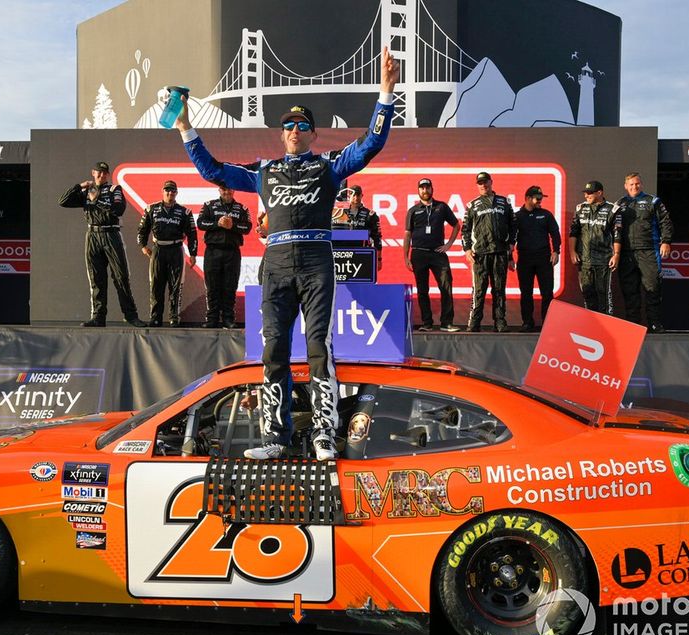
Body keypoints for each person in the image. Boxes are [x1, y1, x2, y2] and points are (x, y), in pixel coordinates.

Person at [175, 46, 400, 461]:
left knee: (319, 347)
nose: (295, 130)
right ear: (281, 135)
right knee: (273, 350)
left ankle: (323, 438)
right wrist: (185, 125)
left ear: (314, 134)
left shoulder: (330, 166)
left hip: (316, 264)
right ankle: (276, 439)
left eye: (302, 125)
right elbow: (212, 171)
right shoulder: (263, 171)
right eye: (288, 126)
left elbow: (371, 144)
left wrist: (386, 91)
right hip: (275, 266)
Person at [57, 161, 143, 328]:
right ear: (93, 172)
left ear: (108, 175)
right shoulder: (86, 191)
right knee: (96, 279)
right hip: (92, 236)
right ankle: (98, 317)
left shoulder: (114, 189)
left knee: (121, 277)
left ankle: (131, 316)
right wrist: (79, 186)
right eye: (99, 172)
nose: (102, 175)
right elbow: (63, 201)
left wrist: (96, 201)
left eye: (105, 173)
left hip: (111, 234)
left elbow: (118, 210)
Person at [613, 172, 673, 333]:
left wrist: (666, 241)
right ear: (626, 186)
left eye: (637, 184)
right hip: (626, 253)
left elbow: (666, 222)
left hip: (649, 250)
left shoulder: (653, 201)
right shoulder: (620, 203)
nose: (634, 187)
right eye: (631, 184)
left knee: (652, 287)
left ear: (641, 184)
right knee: (629, 290)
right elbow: (614, 229)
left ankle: (654, 323)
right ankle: (634, 325)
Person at [137, 180, 197, 327]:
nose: (169, 193)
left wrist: (193, 254)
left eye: (172, 191)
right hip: (158, 249)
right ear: (162, 191)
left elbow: (192, 234)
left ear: (176, 193)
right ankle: (155, 317)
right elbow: (142, 229)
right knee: (156, 285)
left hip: (176, 249)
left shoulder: (185, 212)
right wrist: (143, 246)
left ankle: (174, 317)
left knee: (176, 285)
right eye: (167, 190)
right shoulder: (151, 208)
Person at [403, 178, 460, 332]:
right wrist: (406, 257)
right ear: (418, 190)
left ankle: (446, 323)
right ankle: (427, 323)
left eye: (427, 187)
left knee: (446, 287)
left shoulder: (441, 207)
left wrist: (448, 245)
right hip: (419, 254)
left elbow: (456, 225)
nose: (425, 190)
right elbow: (408, 235)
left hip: (437, 253)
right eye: (422, 188)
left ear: (432, 189)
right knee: (422, 290)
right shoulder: (413, 210)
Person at [462, 172, 516, 332]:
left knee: (499, 289)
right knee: (479, 290)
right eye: (480, 183)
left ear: (491, 182)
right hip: (480, 253)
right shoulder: (472, 205)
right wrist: (466, 249)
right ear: (477, 185)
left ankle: (500, 322)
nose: (483, 185)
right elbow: (465, 230)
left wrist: (512, 243)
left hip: (500, 252)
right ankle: (474, 323)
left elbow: (513, 225)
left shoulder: (504, 202)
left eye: (485, 182)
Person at [196, 185, 252, 328]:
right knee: (212, 286)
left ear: (234, 190)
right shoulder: (209, 205)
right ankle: (212, 319)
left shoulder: (242, 208)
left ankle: (228, 319)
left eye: (229, 189)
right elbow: (200, 223)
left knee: (230, 286)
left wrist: (232, 225)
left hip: (232, 252)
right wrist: (218, 223)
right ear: (219, 190)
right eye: (223, 189)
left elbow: (248, 228)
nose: (226, 192)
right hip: (212, 251)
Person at [514, 185, 561, 331]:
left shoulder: (546, 214)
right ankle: (527, 322)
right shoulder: (517, 216)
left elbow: (555, 233)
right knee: (526, 292)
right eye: (537, 199)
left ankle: (548, 323)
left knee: (547, 292)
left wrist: (556, 252)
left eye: (541, 199)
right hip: (525, 259)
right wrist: (509, 257)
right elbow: (510, 239)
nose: (540, 202)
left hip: (544, 258)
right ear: (528, 198)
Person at [569, 180, 621, 313]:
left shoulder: (613, 209)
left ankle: (607, 327)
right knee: (587, 294)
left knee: (604, 295)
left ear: (600, 193)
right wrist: (572, 252)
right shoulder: (580, 208)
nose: (586, 196)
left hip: (604, 260)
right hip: (584, 260)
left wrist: (616, 255)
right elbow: (573, 232)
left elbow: (617, 234)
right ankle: (591, 326)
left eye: (590, 193)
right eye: (585, 193)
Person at [333, 184, 383, 270]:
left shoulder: (370, 215)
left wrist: (379, 259)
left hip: (361, 254)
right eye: (353, 195)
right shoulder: (338, 212)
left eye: (358, 195)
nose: (356, 198)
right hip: (339, 254)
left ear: (362, 195)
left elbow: (377, 238)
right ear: (348, 196)